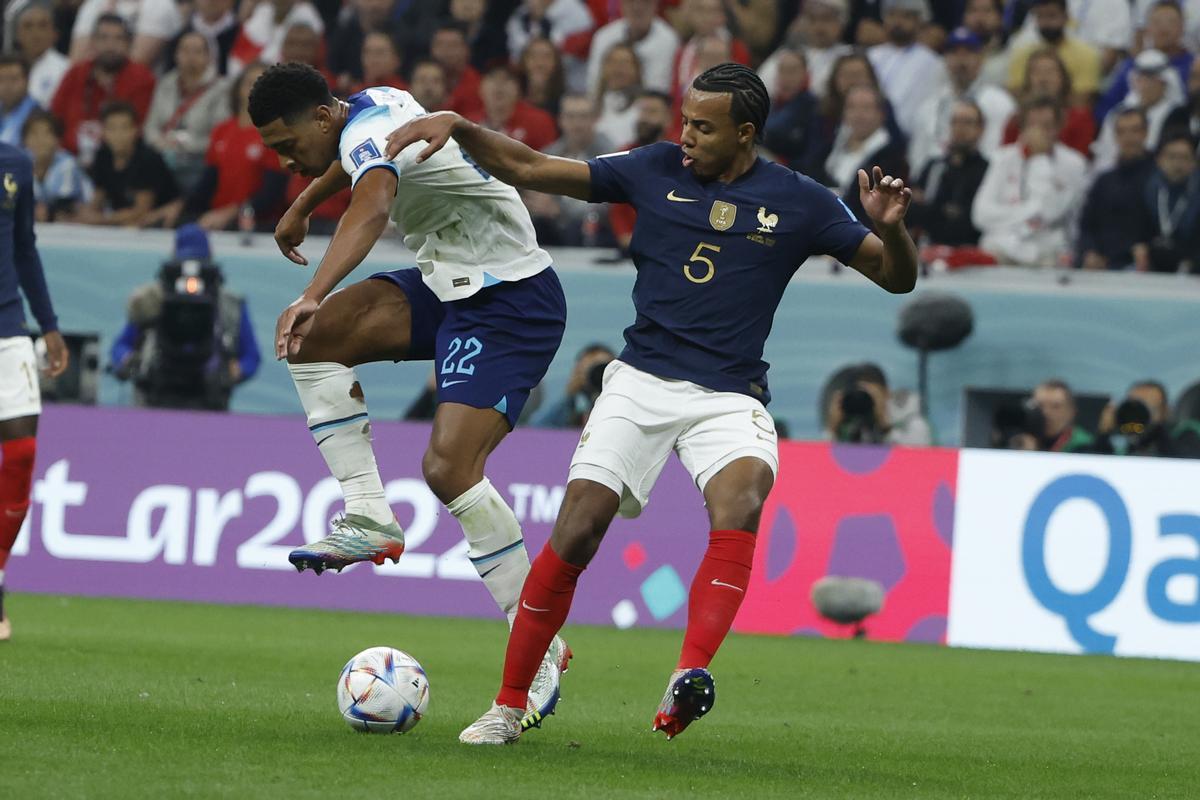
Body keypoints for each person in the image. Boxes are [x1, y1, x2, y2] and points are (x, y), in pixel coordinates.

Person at [383, 61, 918, 744]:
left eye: (703, 126)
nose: (685, 136)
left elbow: (895, 279)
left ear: (746, 133)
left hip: (730, 393)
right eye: (685, 120)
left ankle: (686, 676)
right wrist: (460, 127)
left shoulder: (801, 201)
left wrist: (893, 229)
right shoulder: (653, 167)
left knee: (743, 499)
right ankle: (509, 704)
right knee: (578, 526)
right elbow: (533, 167)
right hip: (640, 382)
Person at [247, 63, 570, 722]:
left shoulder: (367, 128)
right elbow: (351, 162)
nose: (285, 162)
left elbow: (371, 205)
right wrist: (304, 203)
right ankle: (369, 517)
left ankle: (539, 647)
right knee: (311, 343)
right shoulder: (369, 108)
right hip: (449, 283)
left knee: (449, 469)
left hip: (511, 299)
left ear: (322, 116)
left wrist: (313, 293)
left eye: (288, 146)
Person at [0, 139, 71, 642]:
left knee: (22, 453)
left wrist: (48, 322)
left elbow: (24, 246)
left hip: (8, 329)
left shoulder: (16, 163)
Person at [109, 224, 260, 410]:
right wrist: (129, 360)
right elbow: (120, 346)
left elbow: (252, 356)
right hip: (155, 396)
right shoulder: (153, 300)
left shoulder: (230, 305)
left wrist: (234, 371)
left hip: (210, 397)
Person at [972, 97, 1088, 267]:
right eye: (1033, 125)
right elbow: (981, 215)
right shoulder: (1002, 158)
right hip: (1002, 244)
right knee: (989, 250)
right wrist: (1027, 213)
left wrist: (1040, 158)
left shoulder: (1073, 163)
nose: (1038, 132)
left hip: (1047, 250)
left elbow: (1048, 212)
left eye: (1046, 126)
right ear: (1022, 127)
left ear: (1058, 127)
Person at [50, 13, 157, 166]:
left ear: (128, 44)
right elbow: (54, 118)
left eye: (118, 39)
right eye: (103, 38)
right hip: (69, 160)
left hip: (120, 164)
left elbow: (139, 130)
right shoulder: (75, 74)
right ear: (93, 42)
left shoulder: (143, 79)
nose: (110, 45)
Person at [906, 27, 1015, 176]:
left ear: (981, 58)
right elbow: (918, 156)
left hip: (982, 180)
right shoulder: (930, 105)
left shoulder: (1000, 103)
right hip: (936, 184)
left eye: (968, 53)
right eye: (954, 53)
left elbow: (999, 152)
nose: (961, 60)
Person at [143, 32, 230, 193]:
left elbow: (221, 136)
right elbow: (150, 126)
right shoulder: (165, 83)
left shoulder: (222, 89)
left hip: (199, 161)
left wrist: (182, 145)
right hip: (162, 155)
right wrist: (159, 143)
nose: (190, 57)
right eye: (185, 50)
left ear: (209, 57)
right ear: (176, 54)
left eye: (197, 51)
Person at [78, 100, 179, 227]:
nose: (118, 135)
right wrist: (87, 214)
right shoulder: (102, 155)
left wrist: (101, 219)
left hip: (160, 220)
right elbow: (98, 198)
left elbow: (141, 211)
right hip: (122, 219)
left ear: (135, 130)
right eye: (112, 128)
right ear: (103, 132)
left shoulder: (148, 158)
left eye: (124, 128)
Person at [1078, 108, 1156, 271]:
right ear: (1115, 136)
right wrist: (1089, 251)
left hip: (1141, 265)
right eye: (1122, 132)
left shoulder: (1158, 179)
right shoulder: (1104, 181)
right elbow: (1086, 224)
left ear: (1146, 133)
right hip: (1100, 265)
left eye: (1135, 130)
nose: (1128, 137)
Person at [823, 84, 908, 226]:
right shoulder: (832, 146)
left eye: (866, 108)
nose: (859, 114)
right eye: (852, 107)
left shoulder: (891, 156)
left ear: (881, 114)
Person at [909, 100, 989, 247]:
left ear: (980, 129)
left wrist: (930, 208)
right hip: (927, 251)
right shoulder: (933, 167)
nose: (960, 128)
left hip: (967, 254)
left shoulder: (987, 171)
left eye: (967, 122)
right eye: (955, 122)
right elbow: (910, 212)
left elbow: (969, 224)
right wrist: (944, 211)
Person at [1091, 49, 1184, 171]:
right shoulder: (1118, 112)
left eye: (1151, 79)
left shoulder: (1177, 115)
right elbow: (1105, 155)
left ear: (1164, 81)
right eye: (1141, 78)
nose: (1146, 84)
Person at [866, 0, 948, 138]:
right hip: (871, 133)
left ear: (919, 21)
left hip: (909, 136)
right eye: (892, 15)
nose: (898, 22)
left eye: (906, 16)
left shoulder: (932, 62)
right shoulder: (871, 56)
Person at [1002, 47, 1095, 157]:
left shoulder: (1080, 118)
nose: (1043, 78)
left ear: (1063, 78)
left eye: (1050, 71)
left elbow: (1080, 159)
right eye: (1036, 72)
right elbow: (1006, 156)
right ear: (1027, 79)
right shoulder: (1015, 120)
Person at [1006, 0, 1101, 103]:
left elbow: (1083, 99)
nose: (1046, 23)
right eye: (1040, 16)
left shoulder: (1086, 55)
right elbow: (1015, 93)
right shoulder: (1022, 54)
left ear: (1066, 17)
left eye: (1052, 16)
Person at [1133, 132, 1200, 273]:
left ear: (1194, 162)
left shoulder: (1196, 193)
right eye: (1172, 157)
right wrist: (1138, 247)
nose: (1178, 163)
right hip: (1149, 267)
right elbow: (1136, 231)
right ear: (1159, 160)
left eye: (1184, 158)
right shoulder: (1146, 189)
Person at [823, 362, 932, 445]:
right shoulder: (848, 424)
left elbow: (919, 460)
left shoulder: (910, 421)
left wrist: (884, 424)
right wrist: (833, 429)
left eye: (872, 394)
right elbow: (823, 468)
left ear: (887, 393)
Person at [586, 0, 680, 95]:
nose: (637, 7)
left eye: (645, 2)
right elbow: (593, 86)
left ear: (656, 4)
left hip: (649, 105)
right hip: (606, 104)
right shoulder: (603, 37)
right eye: (630, 1)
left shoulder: (669, 40)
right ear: (621, 4)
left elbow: (658, 90)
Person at [21, 111, 93, 223]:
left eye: (47, 133)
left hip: (81, 222)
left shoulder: (67, 164)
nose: (40, 140)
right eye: (34, 133)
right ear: (25, 140)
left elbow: (64, 206)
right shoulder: (19, 164)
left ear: (57, 139)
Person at [1096, 380, 1200, 457]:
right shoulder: (1120, 441)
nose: (1137, 415)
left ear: (1165, 412)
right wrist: (1104, 434)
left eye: (1146, 407)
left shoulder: (1185, 435)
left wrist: (1155, 428)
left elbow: (1185, 461)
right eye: (1133, 408)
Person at [534, 343, 615, 428]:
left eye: (603, 369)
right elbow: (537, 428)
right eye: (594, 370)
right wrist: (571, 394)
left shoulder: (621, 401)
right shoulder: (573, 404)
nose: (599, 375)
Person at [11, 3, 69, 109]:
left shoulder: (65, 69)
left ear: (55, 34)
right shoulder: (7, 69)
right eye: (28, 26)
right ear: (18, 35)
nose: (35, 33)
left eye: (42, 25)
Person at [0, 56, 39, 150]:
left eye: (14, 79)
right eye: (1, 79)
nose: (7, 86)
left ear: (27, 81)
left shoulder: (37, 115)